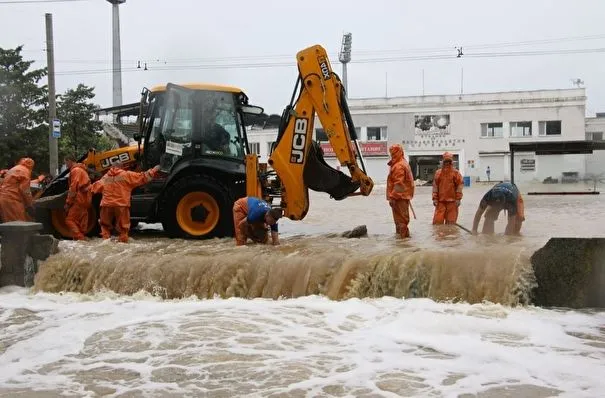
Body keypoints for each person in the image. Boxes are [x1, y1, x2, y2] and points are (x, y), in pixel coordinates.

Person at [91, 162, 160, 243]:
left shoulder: (105, 177)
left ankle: (105, 242)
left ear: (111, 167)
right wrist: (154, 170)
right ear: (122, 167)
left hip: (106, 205)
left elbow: (94, 188)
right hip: (121, 205)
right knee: (123, 228)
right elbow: (143, 177)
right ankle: (123, 243)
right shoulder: (126, 175)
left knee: (105, 226)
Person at [386, 144, 415, 238]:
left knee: (401, 221)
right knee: (400, 220)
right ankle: (402, 241)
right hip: (402, 196)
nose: (391, 154)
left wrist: (393, 197)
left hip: (399, 198)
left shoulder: (398, 166)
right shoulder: (403, 163)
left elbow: (399, 184)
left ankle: (403, 242)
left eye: (392, 152)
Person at [63, 155, 92, 240]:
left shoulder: (76, 170)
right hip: (86, 199)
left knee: (69, 220)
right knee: (81, 223)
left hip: (80, 199)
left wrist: (68, 203)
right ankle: (82, 240)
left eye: (65, 162)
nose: (66, 165)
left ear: (69, 160)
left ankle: (80, 239)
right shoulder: (82, 170)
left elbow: (73, 187)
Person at [432, 152, 463, 225]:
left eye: (449, 161)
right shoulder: (438, 173)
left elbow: (459, 186)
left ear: (451, 162)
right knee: (437, 223)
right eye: (446, 161)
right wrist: (435, 199)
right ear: (443, 161)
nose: (447, 163)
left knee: (451, 224)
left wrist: (458, 199)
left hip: (452, 202)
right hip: (440, 202)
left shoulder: (456, 173)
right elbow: (435, 187)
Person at [0, 158, 35, 222]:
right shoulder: (25, 171)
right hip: (12, 199)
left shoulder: (13, 169)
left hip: (3, 198)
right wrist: (30, 204)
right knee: (19, 224)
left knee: (8, 224)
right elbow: (25, 190)